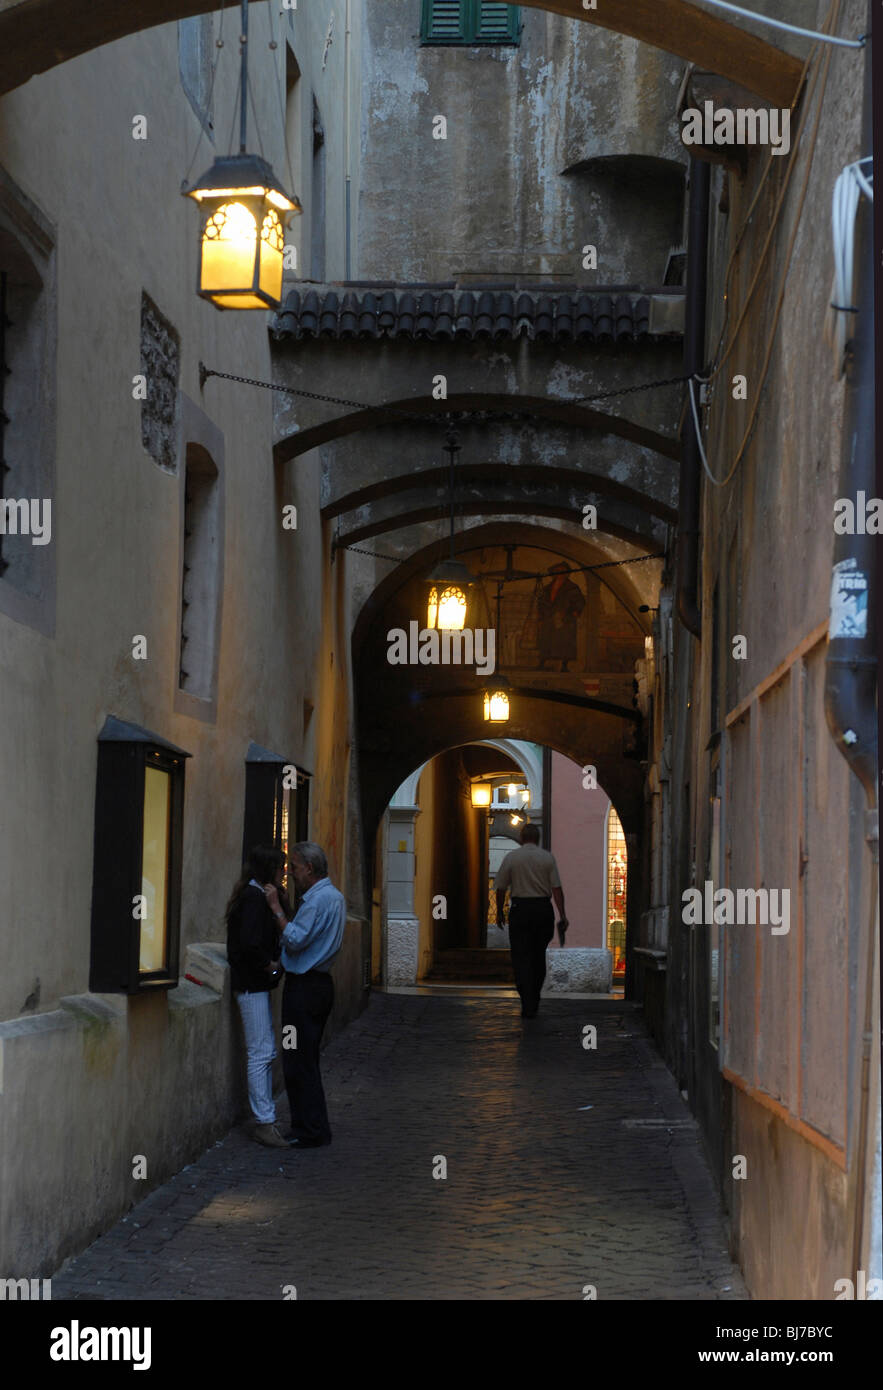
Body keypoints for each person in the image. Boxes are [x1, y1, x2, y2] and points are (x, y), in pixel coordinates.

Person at [265, 842, 345, 1149]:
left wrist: (275, 908)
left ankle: (309, 1129)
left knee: (298, 1060)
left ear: (309, 869)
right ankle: (311, 1125)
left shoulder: (316, 901)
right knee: (305, 1058)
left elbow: (297, 939)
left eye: (295, 867)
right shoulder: (333, 897)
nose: (291, 873)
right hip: (319, 986)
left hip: (305, 990)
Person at [225, 845, 289, 1148]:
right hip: (252, 984)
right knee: (261, 1051)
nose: (283, 874)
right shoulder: (253, 899)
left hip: (255, 984)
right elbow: (250, 944)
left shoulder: (255, 896)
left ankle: (266, 1118)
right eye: (279, 869)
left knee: (263, 1050)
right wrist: (270, 966)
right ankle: (264, 1121)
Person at [494, 822, 568, 1019]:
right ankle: (534, 996)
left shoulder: (512, 857)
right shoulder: (547, 858)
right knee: (537, 955)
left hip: (520, 910)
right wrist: (562, 915)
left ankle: (526, 998)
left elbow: (500, 888)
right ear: (538, 838)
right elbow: (557, 890)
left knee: (520, 956)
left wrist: (500, 912)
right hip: (543, 910)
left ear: (521, 838)